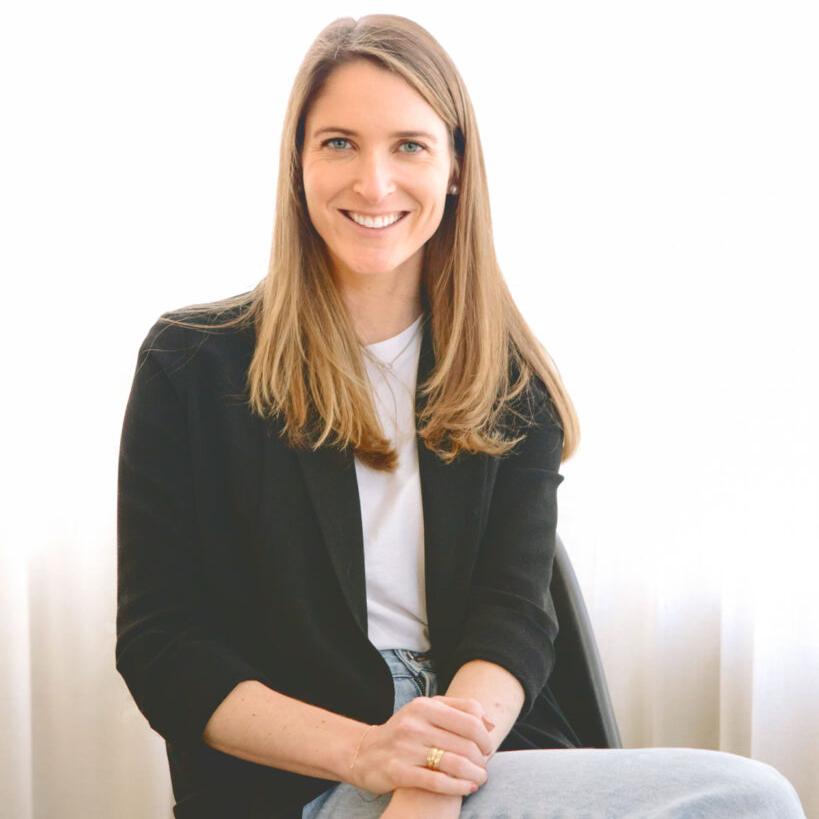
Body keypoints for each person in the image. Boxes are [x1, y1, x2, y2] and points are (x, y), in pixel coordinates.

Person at [115, 14, 806, 819]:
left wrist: (429, 777)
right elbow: (163, 647)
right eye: (338, 142)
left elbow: (511, 619)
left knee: (748, 798)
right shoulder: (192, 363)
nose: (373, 183)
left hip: (487, 744)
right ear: (296, 163)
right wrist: (371, 752)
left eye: (408, 145)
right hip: (304, 766)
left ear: (453, 168)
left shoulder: (510, 378)